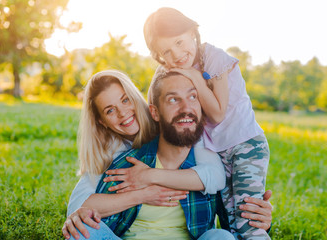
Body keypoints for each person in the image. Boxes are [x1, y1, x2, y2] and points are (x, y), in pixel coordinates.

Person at [62, 70, 272, 239]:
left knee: (221, 237)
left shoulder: (188, 134)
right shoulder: (114, 151)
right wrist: (142, 195)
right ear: (102, 121)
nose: (123, 113)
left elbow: (216, 178)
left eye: (125, 100)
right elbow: (79, 205)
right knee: (82, 231)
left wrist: (255, 213)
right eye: (109, 110)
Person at [142, 7, 271, 239]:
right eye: (167, 52)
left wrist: (194, 77)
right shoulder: (171, 67)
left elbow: (218, 113)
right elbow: (154, 101)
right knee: (228, 220)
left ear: (192, 32)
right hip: (217, 151)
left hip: (246, 144)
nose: (177, 55)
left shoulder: (214, 57)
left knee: (247, 220)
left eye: (180, 42)